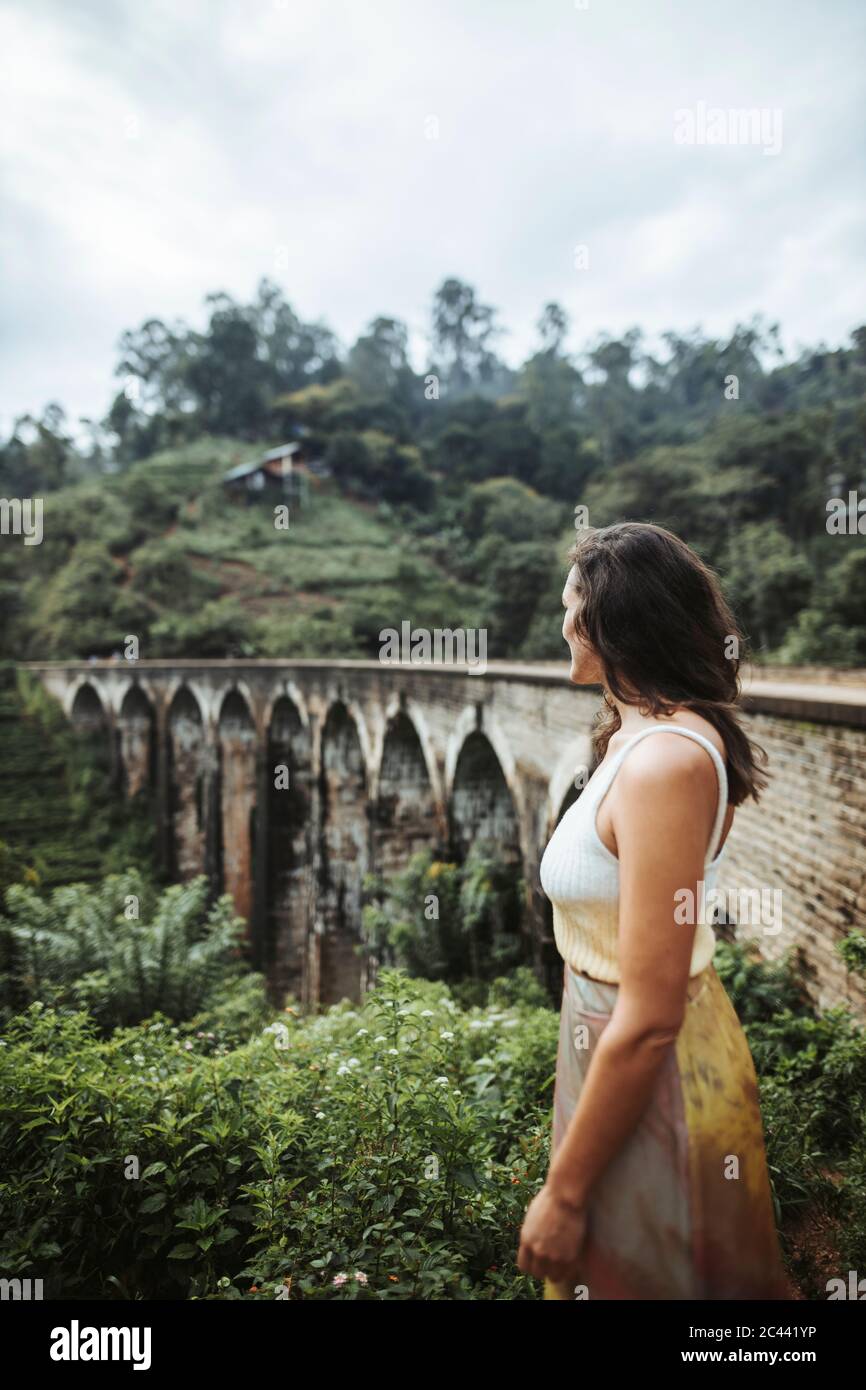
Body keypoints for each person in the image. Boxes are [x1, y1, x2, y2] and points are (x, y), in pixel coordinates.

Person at [517, 521, 792, 1301]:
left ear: (611, 623)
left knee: (663, 1279)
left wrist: (563, 1194)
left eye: (571, 607)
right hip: (611, 1048)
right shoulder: (636, 737)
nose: (563, 624)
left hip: (651, 1060)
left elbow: (651, 1012)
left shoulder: (665, 762)